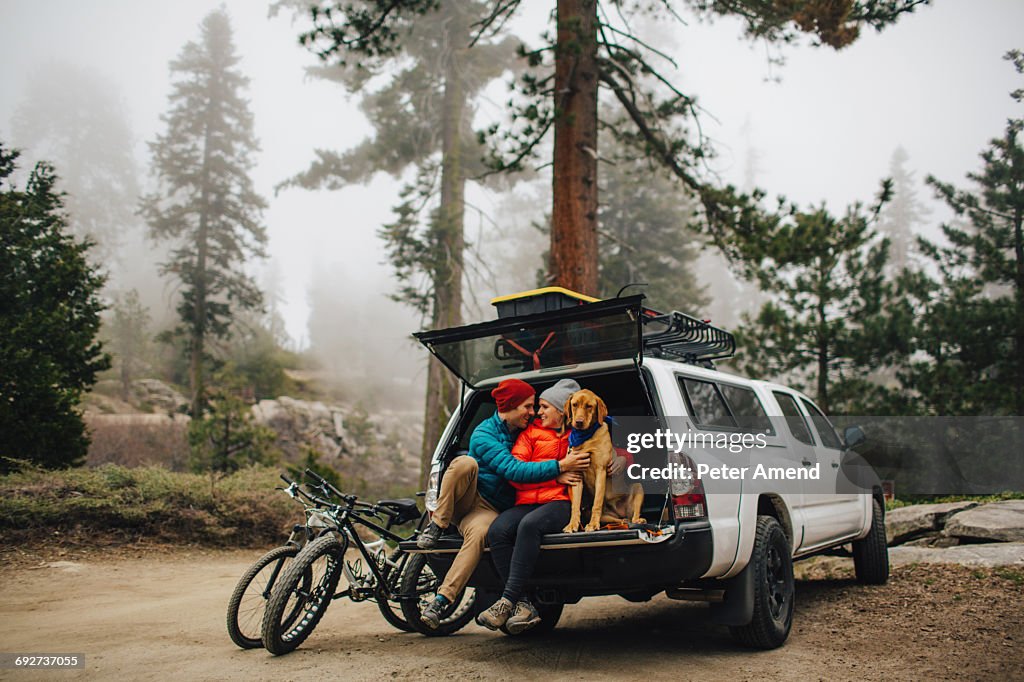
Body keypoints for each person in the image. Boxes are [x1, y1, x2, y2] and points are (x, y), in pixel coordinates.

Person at [416, 378, 591, 629]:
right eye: (528, 407)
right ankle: (438, 525)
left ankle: (441, 601)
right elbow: (513, 470)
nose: (533, 413)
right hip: (470, 498)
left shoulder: (529, 428)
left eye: (537, 407)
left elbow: (594, 435)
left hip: (495, 509)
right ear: (509, 406)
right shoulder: (483, 434)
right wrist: (559, 468)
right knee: (466, 463)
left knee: (481, 535)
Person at [476, 378, 582, 633]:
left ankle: (507, 601)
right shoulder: (530, 433)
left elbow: (608, 453)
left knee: (529, 526)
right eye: (536, 406)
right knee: (498, 530)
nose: (538, 412)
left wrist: (618, 462)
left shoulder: (578, 435)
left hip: (560, 501)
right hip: (526, 499)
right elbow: (514, 473)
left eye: (544, 407)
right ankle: (523, 604)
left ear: (562, 410)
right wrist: (556, 473)